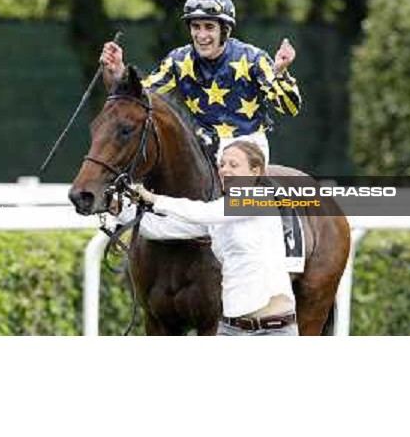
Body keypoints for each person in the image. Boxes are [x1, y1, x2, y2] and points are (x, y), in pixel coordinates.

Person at [100, 0, 301, 167]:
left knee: (233, 166)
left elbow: (290, 108)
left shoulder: (253, 58)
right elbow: (141, 97)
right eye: (196, 27)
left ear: (226, 30)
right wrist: (118, 70)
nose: (201, 35)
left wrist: (280, 72)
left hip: (247, 146)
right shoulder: (178, 60)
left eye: (209, 27)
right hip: (202, 145)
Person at [115, 140, 298, 336]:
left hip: (273, 331)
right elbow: (159, 229)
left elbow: (200, 212)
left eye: (234, 165)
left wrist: (153, 198)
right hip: (230, 329)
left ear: (256, 172)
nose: (225, 170)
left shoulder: (260, 199)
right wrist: (120, 210)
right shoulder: (221, 211)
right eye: (222, 165)